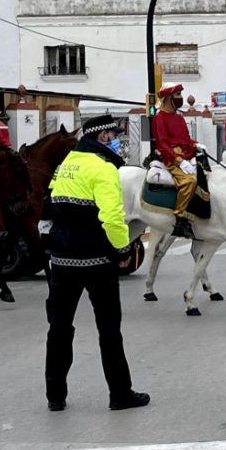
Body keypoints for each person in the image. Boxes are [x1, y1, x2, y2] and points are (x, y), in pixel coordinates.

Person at [44, 114, 148, 412]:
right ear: (102, 137)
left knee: (59, 327)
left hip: (62, 258)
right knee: (109, 329)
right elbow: (112, 217)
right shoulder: (103, 168)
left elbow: (53, 205)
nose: (116, 140)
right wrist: (123, 249)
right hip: (97, 260)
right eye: (114, 134)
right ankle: (120, 394)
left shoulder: (66, 165)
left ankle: (55, 395)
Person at [151, 83, 199, 238]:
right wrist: (179, 161)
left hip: (187, 154)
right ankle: (179, 218)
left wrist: (196, 145)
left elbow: (186, 139)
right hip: (172, 157)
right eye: (177, 95)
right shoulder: (159, 118)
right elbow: (163, 145)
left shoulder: (179, 117)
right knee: (189, 181)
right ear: (168, 98)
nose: (181, 98)